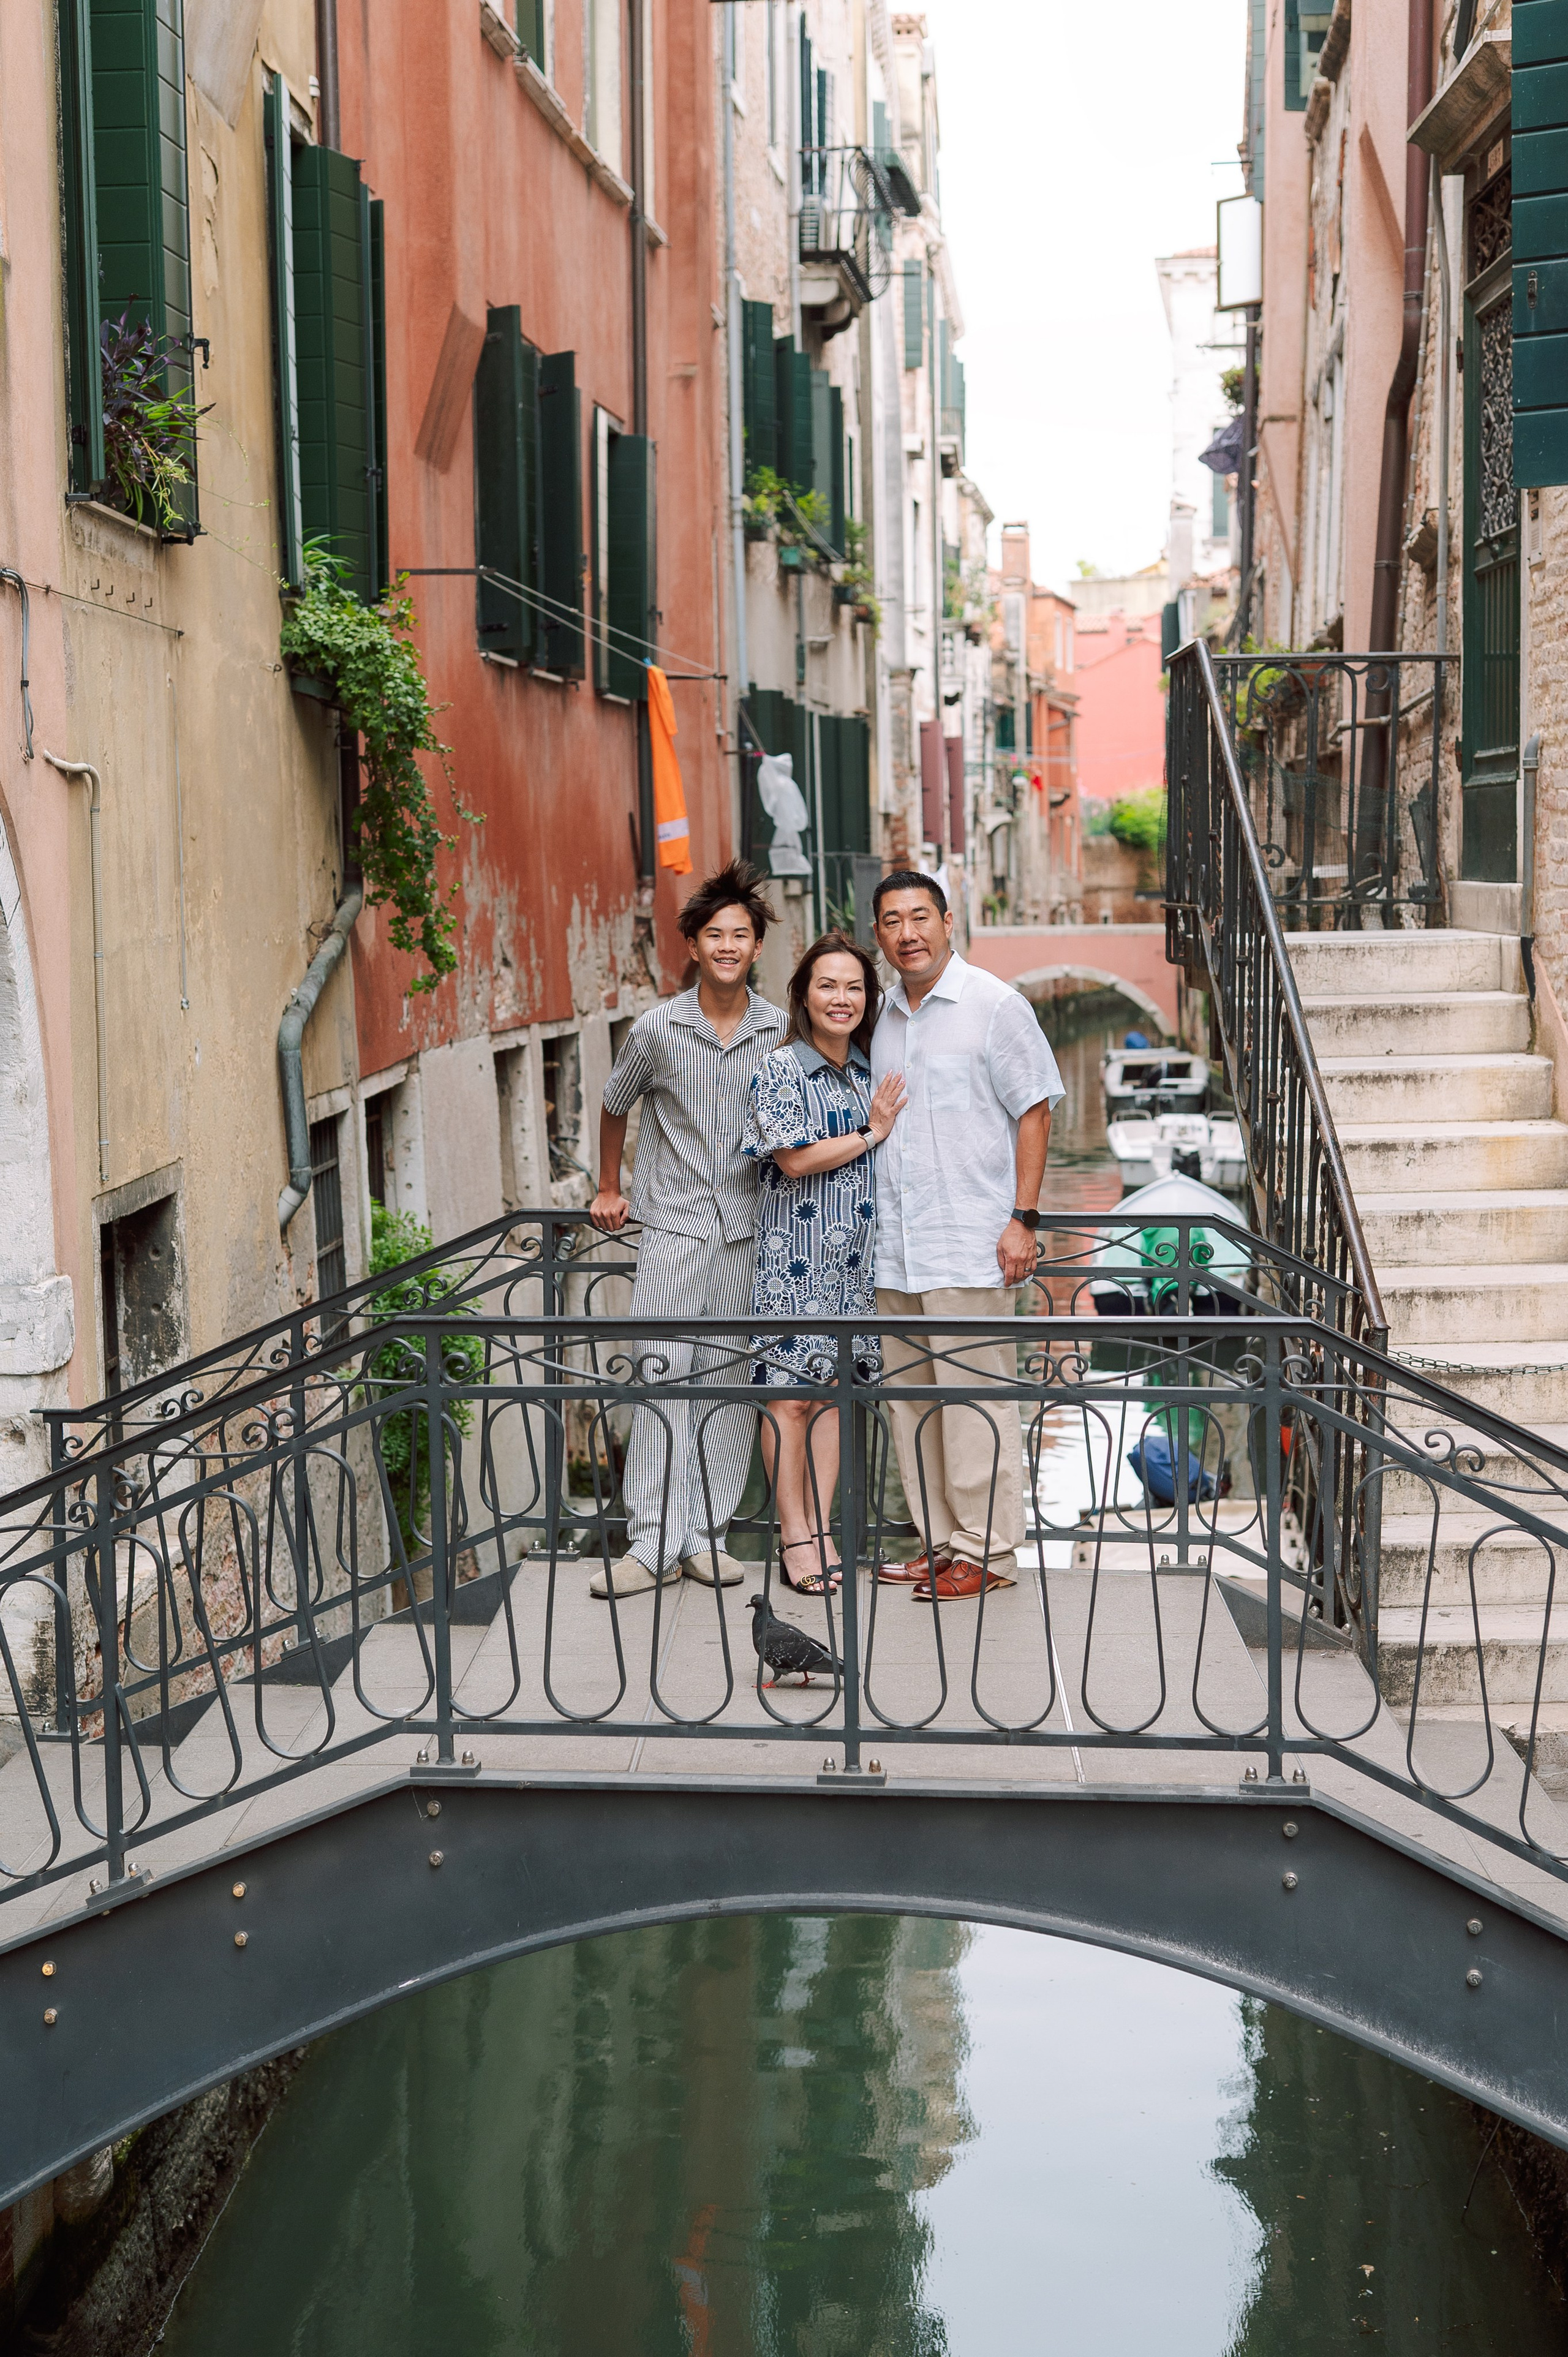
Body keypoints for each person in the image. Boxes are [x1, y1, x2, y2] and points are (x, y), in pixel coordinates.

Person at [589, 860, 785, 1597]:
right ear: (694, 946)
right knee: (662, 1373)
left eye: (740, 934)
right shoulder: (657, 1028)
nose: (728, 945)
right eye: (715, 934)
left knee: (729, 1383)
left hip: (748, 1229)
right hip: (671, 1228)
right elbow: (615, 1103)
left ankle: (705, 1534)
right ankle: (648, 1543)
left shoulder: (779, 1031)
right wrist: (610, 1186)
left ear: (756, 946)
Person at [869, 870, 1065, 1599]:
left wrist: (1023, 1218)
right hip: (895, 1247)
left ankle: (989, 1553)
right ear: (879, 934)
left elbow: (1034, 1111)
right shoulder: (881, 1016)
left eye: (920, 916)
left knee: (976, 1403)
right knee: (912, 1405)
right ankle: (941, 1541)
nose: (907, 932)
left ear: (949, 921)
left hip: (968, 1243)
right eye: (892, 921)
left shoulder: (995, 1005)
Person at [744, 933, 908, 1595]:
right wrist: (870, 1132)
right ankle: (794, 1539)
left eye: (853, 988)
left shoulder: (871, 1069)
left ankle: (825, 1531)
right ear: (803, 996)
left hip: (854, 1265)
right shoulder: (781, 1067)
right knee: (789, 1401)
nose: (841, 998)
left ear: (867, 999)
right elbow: (793, 1157)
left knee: (833, 1400)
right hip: (793, 1262)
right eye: (827, 986)